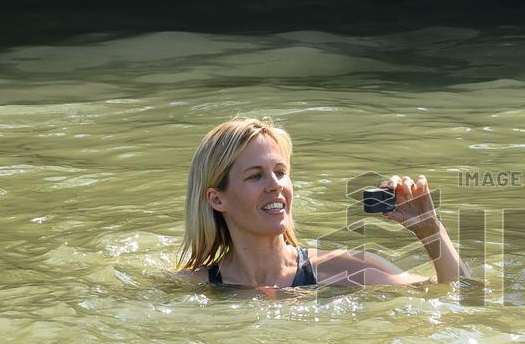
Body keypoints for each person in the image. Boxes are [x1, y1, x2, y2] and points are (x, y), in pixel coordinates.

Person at [176, 117, 470, 288]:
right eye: (255, 176)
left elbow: (462, 297)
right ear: (217, 199)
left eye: (281, 172)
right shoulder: (194, 286)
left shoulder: (345, 270)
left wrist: (430, 230)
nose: (275, 185)